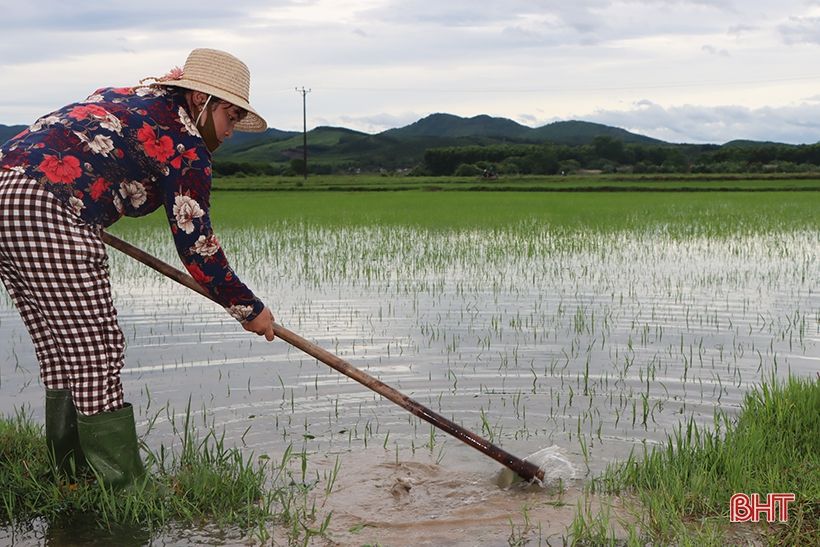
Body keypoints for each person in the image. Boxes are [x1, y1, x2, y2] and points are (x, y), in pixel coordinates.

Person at [0, 48, 276, 488]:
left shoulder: (138, 96)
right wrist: (250, 309)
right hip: (47, 207)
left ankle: (72, 474)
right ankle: (122, 489)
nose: (228, 136)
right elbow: (197, 247)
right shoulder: (184, 144)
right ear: (206, 103)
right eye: (230, 120)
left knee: (57, 345)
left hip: (7, 186)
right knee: (96, 348)